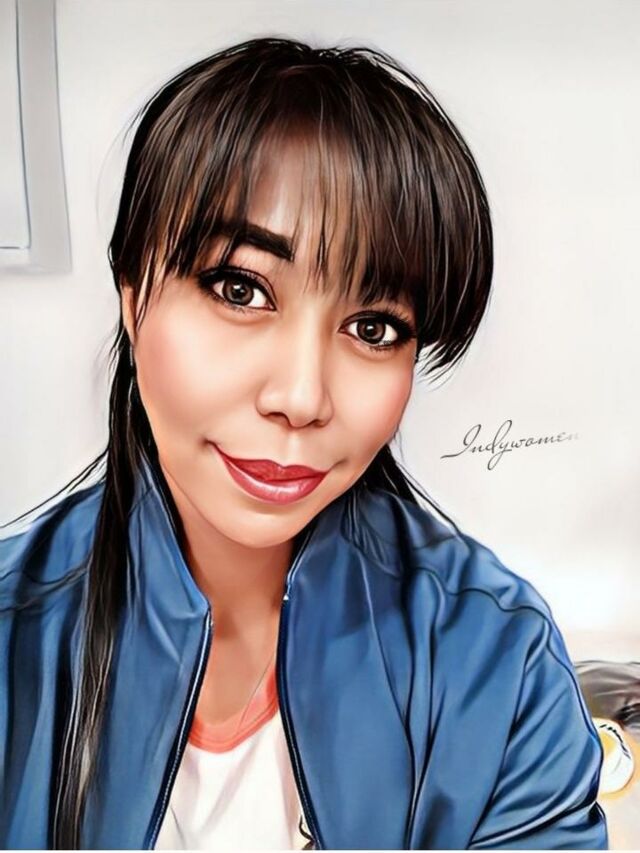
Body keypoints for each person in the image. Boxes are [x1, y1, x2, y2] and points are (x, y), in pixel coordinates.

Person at [0, 36, 607, 850]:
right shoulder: (12, 638)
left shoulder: (497, 667)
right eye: (241, 288)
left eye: (373, 327)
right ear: (134, 298)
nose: (301, 397)